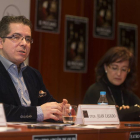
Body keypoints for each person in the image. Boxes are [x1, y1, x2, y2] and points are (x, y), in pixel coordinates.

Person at [0, 15, 68, 122]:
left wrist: (59, 110)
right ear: (1, 42)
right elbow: (3, 111)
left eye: (27, 39)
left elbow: (46, 104)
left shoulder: (33, 74)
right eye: (16, 37)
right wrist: (37, 112)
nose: (24, 43)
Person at [83, 46, 140, 121]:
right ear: (106, 67)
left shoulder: (127, 93)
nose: (119, 73)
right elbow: (114, 115)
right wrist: (132, 110)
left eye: (123, 69)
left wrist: (128, 111)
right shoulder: (95, 90)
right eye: (114, 68)